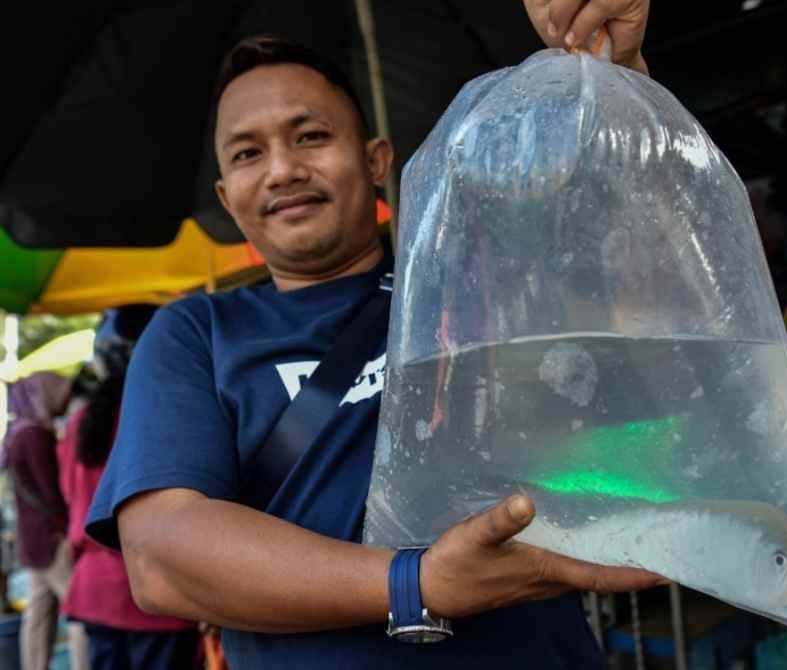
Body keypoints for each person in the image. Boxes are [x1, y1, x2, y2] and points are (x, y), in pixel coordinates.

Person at [86, 2, 661, 668]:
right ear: (227, 191)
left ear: (377, 159)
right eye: (248, 153)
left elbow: (614, 236)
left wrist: (614, 72)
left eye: (310, 136)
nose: (281, 170)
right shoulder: (195, 333)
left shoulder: (478, 282)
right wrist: (416, 584)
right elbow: (162, 559)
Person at [58, 306, 200, 670]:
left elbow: (70, 500)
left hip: (94, 588)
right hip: (159, 590)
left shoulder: (78, 421)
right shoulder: (174, 410)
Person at [3, 372, 88, 670]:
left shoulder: (18, 432)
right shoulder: (35, 436)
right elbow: (53, 491)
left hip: (33, 539)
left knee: (38, 616)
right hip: (51, 537)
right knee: (80, 612)